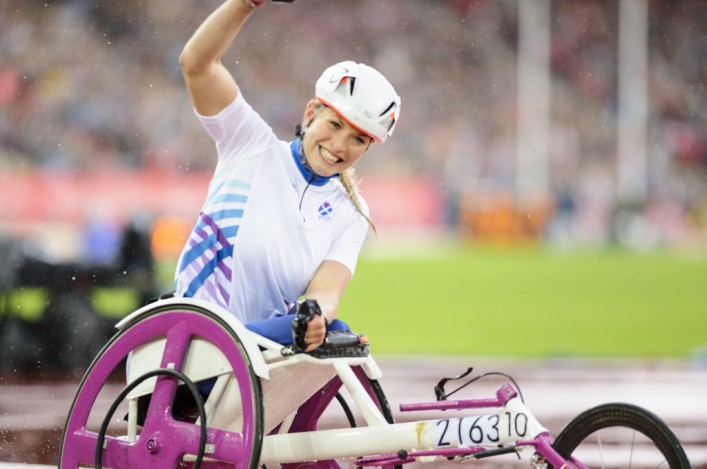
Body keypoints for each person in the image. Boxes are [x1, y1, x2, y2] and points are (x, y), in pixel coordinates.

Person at [174, 0, 401, 353]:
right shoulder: (250, 145)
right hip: (192, 345)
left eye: (358, 139)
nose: (340, 145)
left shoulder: (351, 214)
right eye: (334, 124)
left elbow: (326, 290)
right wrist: (245, 4)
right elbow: (196, 64)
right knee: (338, 335)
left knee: (337, 331)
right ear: (311, 113)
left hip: (255, 356)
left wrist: (315, 316)